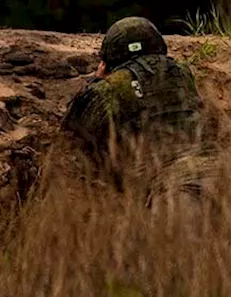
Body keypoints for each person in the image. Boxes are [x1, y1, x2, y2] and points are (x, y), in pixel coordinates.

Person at [63, 16, 206, 203]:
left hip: (169, 187)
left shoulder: (112, 87)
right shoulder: (183, 73)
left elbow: (72, 128)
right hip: (210, 169)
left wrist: (98, 80)